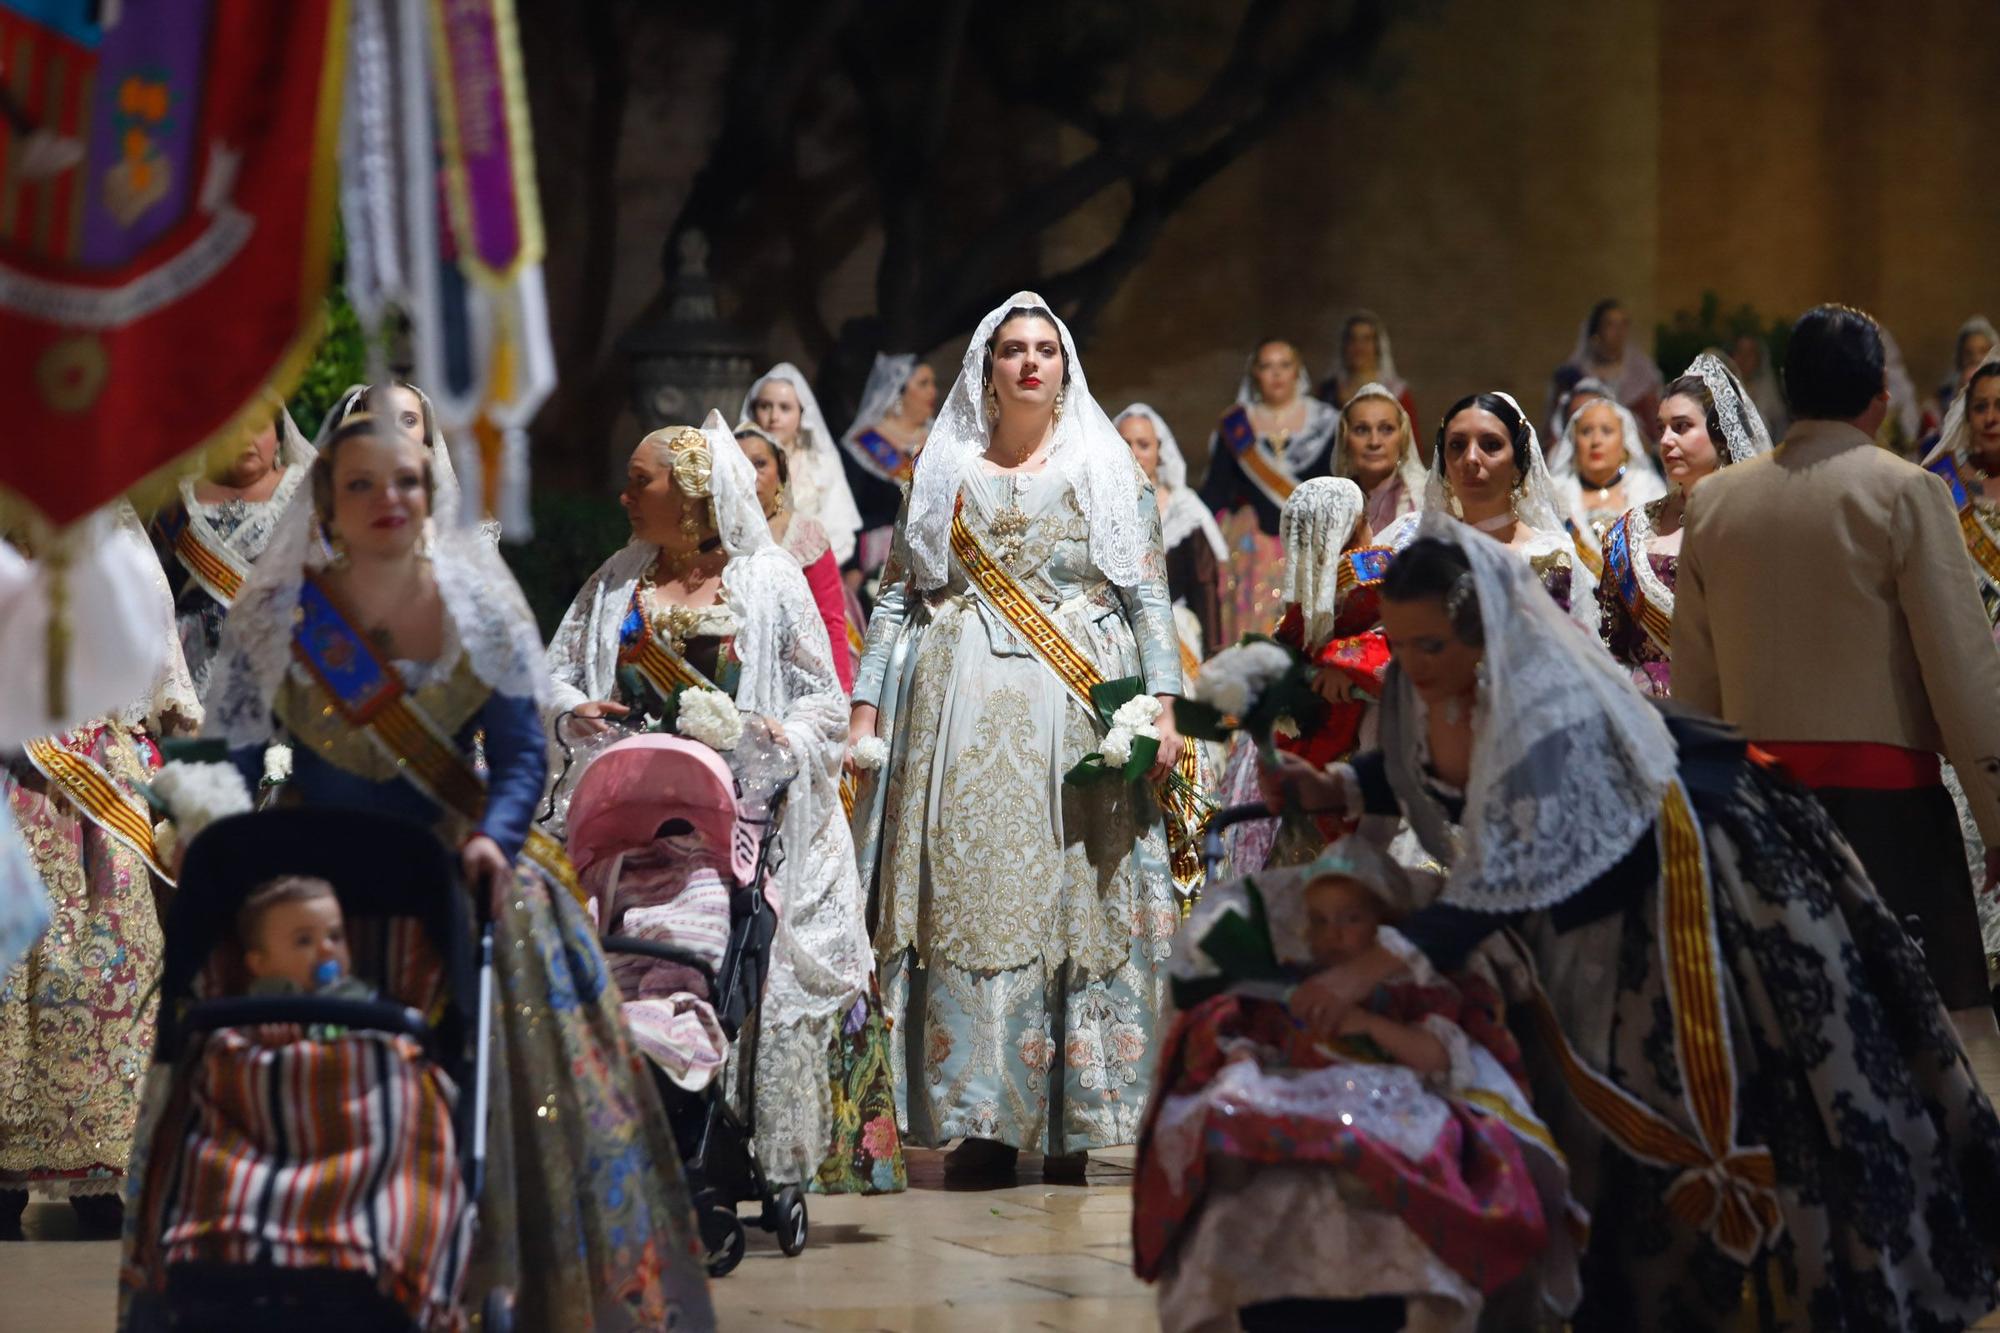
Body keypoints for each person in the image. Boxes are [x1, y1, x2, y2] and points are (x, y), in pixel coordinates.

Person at [1266, 520, 2000, 1329]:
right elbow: (1423, 761)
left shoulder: (1544, 702)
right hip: (1589, 895)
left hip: (1690, 878)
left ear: (1481, 628)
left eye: (1429, 644)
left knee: (1713, 1087)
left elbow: (1497, 883)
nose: (1410, 663)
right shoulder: (1436, 673)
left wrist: (1371, 966)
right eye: (1399, 644)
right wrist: (1337, 786)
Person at [195, 407, 715, 1331]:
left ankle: (487, 1270)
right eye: (361, 484)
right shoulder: (283, 613)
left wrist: (494, 838)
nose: (385, 500)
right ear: (329, 500)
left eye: (403, 483)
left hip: (460, 868)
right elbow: (233, 749)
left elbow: (519, 756)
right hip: (320, 883)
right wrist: (221, 832)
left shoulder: (475, 606)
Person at [849, 292, 1190, 1180]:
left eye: (1045, 348)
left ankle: (1069, 1120)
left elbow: (1148, 596)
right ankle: (986, 1119)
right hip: (955, 715)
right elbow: (894, 598)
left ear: (1066, 367)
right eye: (1012, 350)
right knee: (971, 896)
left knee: (1071, 900)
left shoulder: (1107, 472)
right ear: (987, 369)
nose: (1030, 362)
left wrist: (1165, 703)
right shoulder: (942, 471)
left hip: (1075, 709)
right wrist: (864, 710)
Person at [543, 412, 873, 1192]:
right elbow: (552, 673)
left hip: (742, 823)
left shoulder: (768, 582)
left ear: (691, 493)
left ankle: (709, 1119)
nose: (624, 495)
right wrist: (572, 711)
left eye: (641, 480)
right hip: (628, 825)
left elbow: (824, 703)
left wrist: (768, 734)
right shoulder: (617, 579)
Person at [1676, 305, 2000, 1030]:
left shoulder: (1715, 503)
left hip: (1757, 816)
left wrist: (1696, 816)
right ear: (1880, 397)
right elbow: (1963, 668)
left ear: (1787, 389)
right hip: (1887, 819)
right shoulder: (1909, 490)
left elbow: (1693, 683)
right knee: (1915, 1046)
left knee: (1783, 1036)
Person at [1136, 839, 1578, 1332]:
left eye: (1350, 919)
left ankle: (1369, 1166)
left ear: (1383, 925)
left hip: (1388, 1088)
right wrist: (1247, 1051)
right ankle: (1244, 1159)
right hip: (1305, 1089)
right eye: (1321, 922)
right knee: (1231, 1100)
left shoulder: (1410, 986)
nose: (1334, 935)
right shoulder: (1297, 983)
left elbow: (1437, 1055)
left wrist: (1369, 1025)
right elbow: (1260, 1036)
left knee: (1410, 1128)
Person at [1, 507, 194, 1241]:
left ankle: (102, 1172)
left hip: (99, 794)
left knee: (108, 968)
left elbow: (159, 664)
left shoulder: (116, 533)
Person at [1597, 354, 1771, 697]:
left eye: (1681, 427)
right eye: (1661, 428)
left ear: (1720, 437)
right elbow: (1610, 641)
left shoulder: (1755, 526)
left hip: (1730, 705)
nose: (1665, 441)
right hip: (1645, 715)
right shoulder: (1629, 530)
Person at [148, 402, 317, 700]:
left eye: (256, 426)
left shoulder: (309, 495)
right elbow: (156, 589)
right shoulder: (177, 501)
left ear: (278, 437)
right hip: (191, 670)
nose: (243, 438)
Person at [1379, 391, 1588, 628]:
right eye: (1457, 445)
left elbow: (1577, 655)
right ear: (1444, 465)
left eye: (1491, 445)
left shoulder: (1551, 557)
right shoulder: (1412, 541)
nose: (1471, 458)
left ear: (1519, 465)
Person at [737, 423, 855, 690]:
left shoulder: (804, 536)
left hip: (796, 679)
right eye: (737, 465)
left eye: (759, 464)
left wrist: (841, 692)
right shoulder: (712, 537)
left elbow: (831, 622)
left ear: (780, 475)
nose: (748, 475)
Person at [1116, 403, 1226, 661]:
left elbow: (1204, 585)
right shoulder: (1095, 504)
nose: (1134, 453)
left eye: (1143, 445)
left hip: (1174, 633)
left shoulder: (1184, 509)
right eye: (1125, 443)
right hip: (1116, 634)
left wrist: (1213, 654)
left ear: (1160, 451)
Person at [742, 363, 865, 568]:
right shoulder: (737, 463)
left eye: (785, 408)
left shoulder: (819, 463)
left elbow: (840, 529)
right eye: (765, 406)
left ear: (801, 414)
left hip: (813, 572)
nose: (774, 417)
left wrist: (801, 566)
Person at [1921, 351, 2000, 637]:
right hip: (1961, 645)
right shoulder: (1941, 482)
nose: (1991, 418)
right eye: (1981, 407)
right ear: (1967, 416)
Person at [840, 353, 938, 576]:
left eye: (932, 383)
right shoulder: (864, 444)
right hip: (876, 560)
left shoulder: (940, 440)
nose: (933, 391)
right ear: (898, 392)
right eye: (923, 384)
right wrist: (853, 567)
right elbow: (849, 509)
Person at [1547, 394, 1666, 558]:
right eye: (1586, 431)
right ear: (1574, 441)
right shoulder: (1556, 495)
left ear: (1625, 442)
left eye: (1607, 431)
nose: (1596, 441)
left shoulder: (1649, 491)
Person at [1546, 299, 1663, 445]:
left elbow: (1654, 424)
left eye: (1623, 324)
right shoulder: (1572, 376)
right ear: (1597, 331)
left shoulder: (1642, 374)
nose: (1618, 332)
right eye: (1610, 324)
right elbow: (1556, 429)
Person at [1315, 311, 1419, 454]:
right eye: (1353, 339)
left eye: (1366, 339)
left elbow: (1411, 447)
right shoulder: (1328, 392)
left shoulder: (1398, 393)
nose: (1359, 347)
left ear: (1377, 347)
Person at [1331, 382, 1426, 536]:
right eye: (1361, 430)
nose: (1374, 442)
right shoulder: (1333, 503)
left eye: (1386, 429)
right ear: (1345, 439)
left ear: (1402, 437)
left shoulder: (1423, 500)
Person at [1928, 316, 1998, 439]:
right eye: (1968, 353)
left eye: (1983, 351)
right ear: (1959, 358)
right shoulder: (1940, 401)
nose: (1975, 359)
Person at [1729, 331, 1789, 440]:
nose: (1744, 358)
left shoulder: (1768, 394)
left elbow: (1780, 432)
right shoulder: (1723, 387)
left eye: (1750, 353)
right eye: (1740, 352)